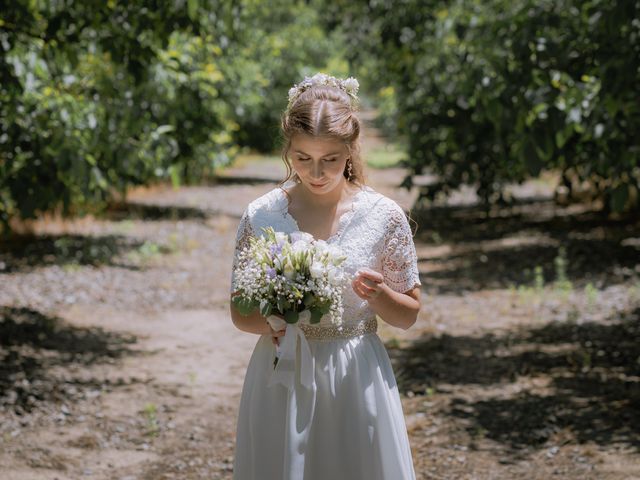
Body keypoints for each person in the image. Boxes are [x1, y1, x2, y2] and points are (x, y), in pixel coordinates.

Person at [229, 73, 422, 480]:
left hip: (355, 373)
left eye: (330, 160)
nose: (316, 172)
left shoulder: (383, 216)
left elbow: (407, 316)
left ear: (350, 151)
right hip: (280, 372)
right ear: (288, 149)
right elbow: (239, 313)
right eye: (303, 158)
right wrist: (280, 315)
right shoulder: (262, 215)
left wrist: (380, 295)